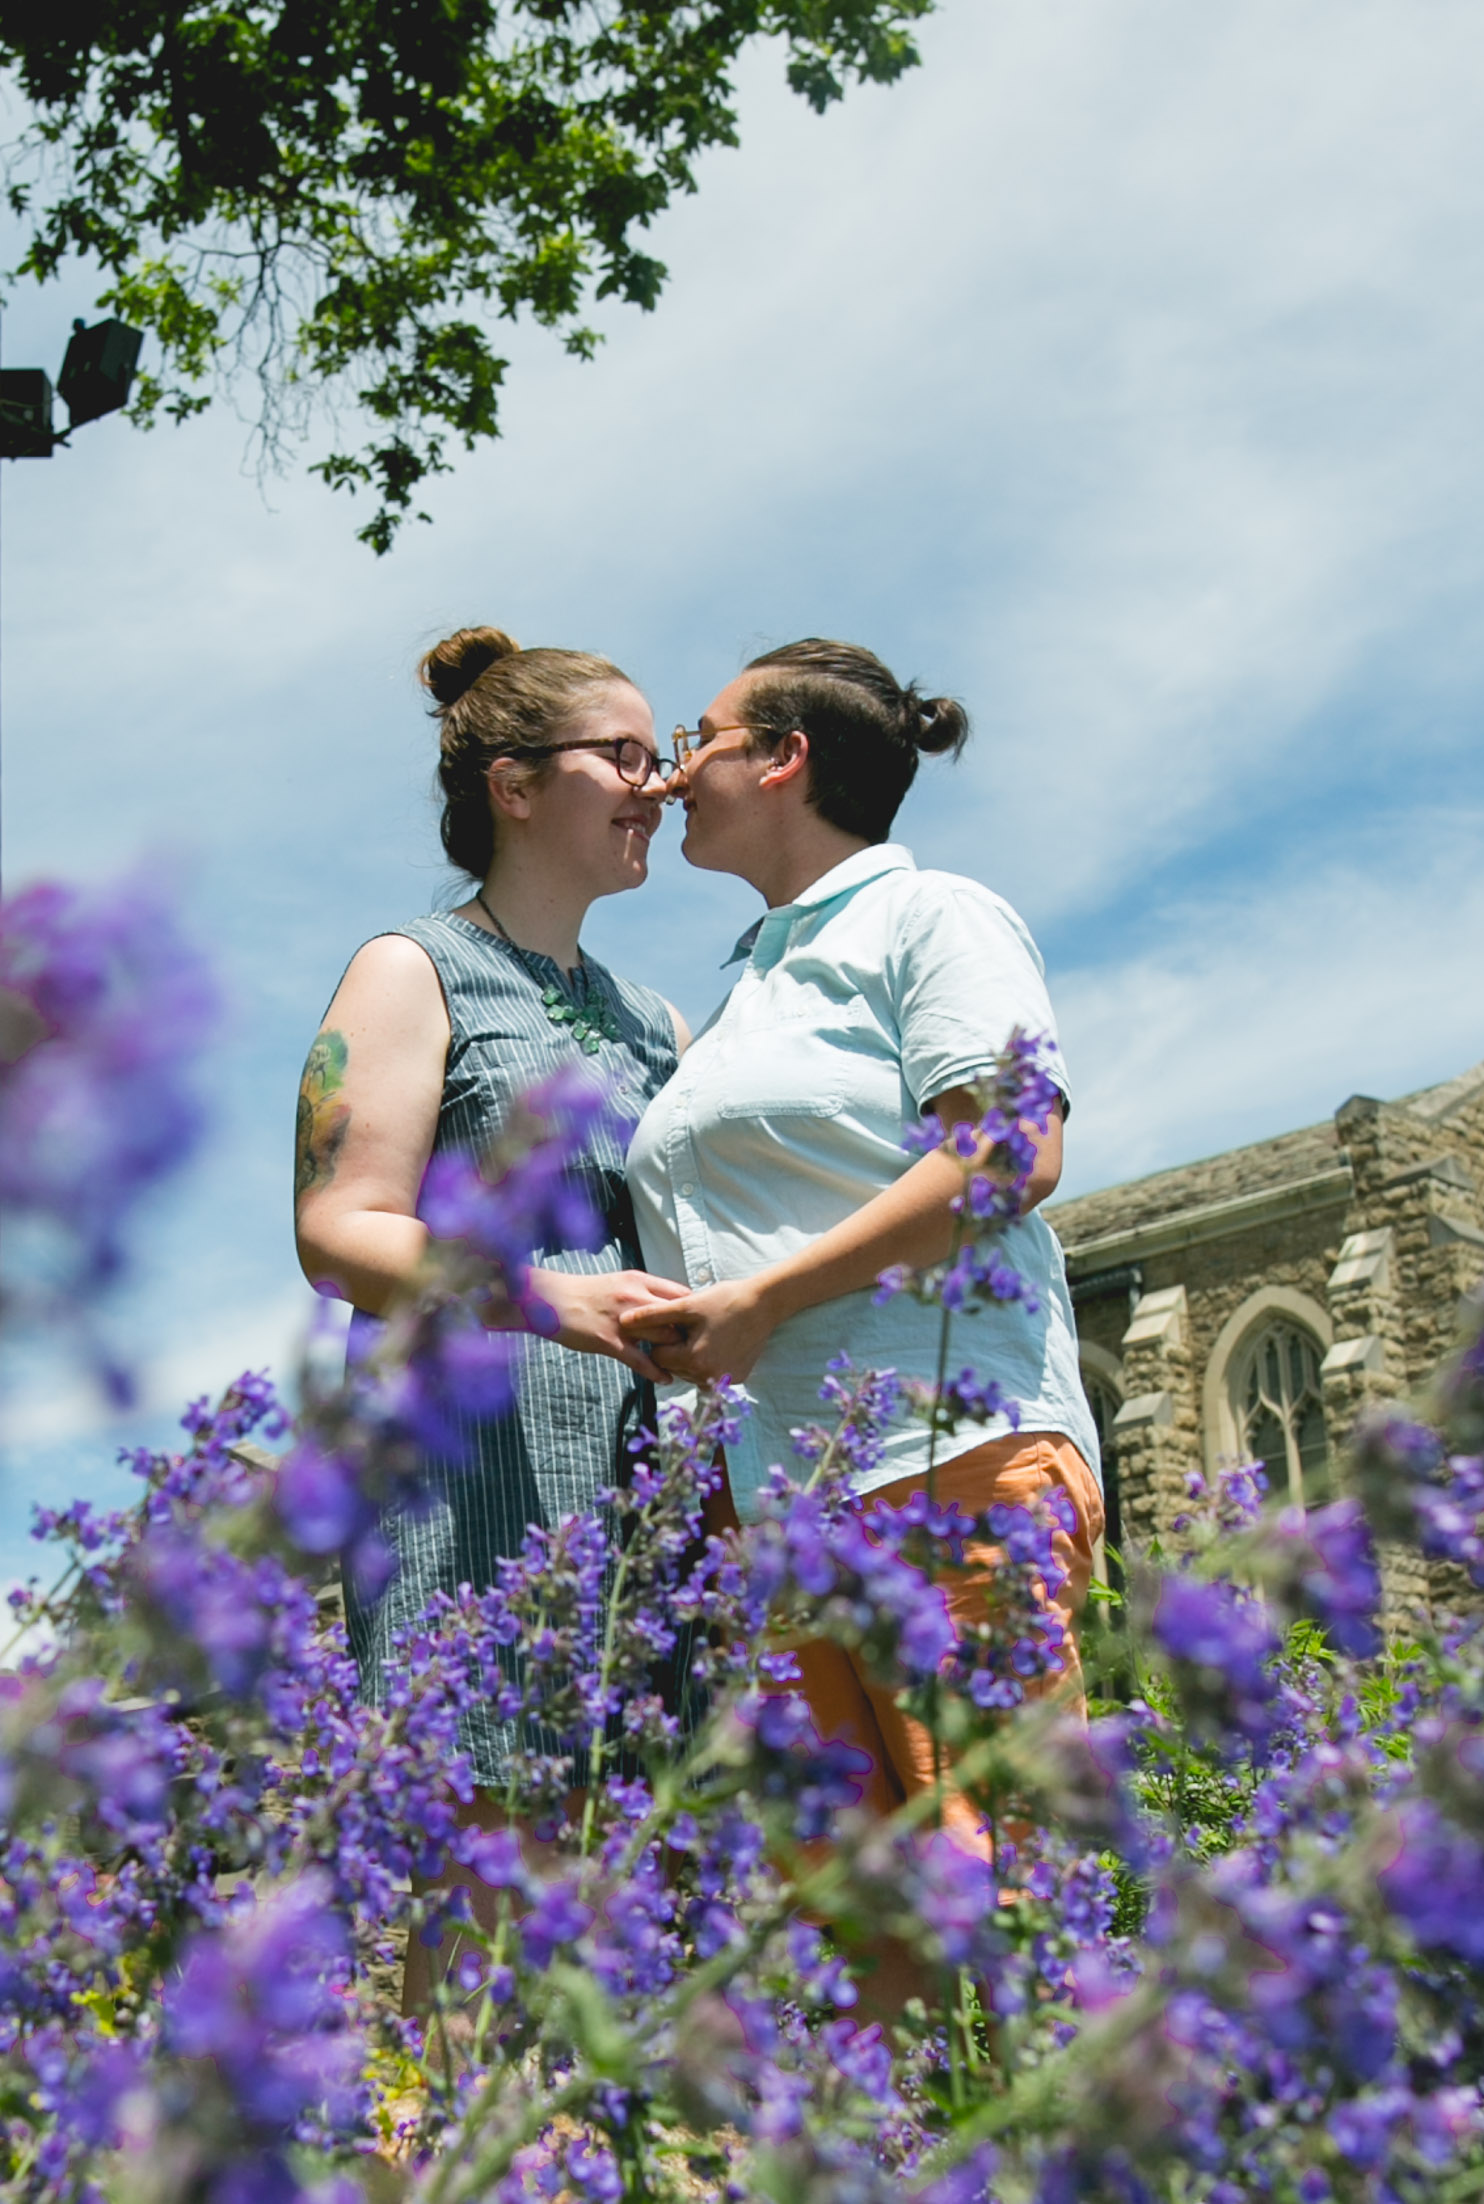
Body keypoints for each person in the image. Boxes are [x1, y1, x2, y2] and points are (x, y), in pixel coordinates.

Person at [618, 638, 1103, 1856]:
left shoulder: (928, 915)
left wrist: (767, 1300)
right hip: (777, 1514)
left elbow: (1008, 1151)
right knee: (862, 1967)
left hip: (943, 1466)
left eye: (700, 742)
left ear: (786, 758)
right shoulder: (744, 993)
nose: (675, 776)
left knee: (1010, 1900)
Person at [291, 626, 692, 1951]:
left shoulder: (656, 1020)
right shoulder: (413, 970)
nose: (663, 782)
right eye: (625, 756)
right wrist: (553, 1301)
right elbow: (340, 1229)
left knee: (633, 1905)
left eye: (667, 752)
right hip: (469, 1485)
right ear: (514, 787)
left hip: (643, 1485)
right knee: (482, 1920)